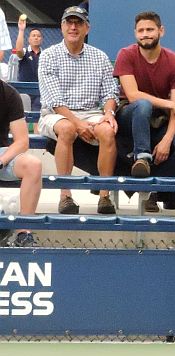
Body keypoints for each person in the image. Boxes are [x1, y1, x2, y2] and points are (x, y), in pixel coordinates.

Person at [38, 5, 118, 215]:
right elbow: (54, 101)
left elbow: (110, 94)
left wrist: (109, 114)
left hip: (91, 112)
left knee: (108, 131)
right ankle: (65, 196)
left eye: (78, 23)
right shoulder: (48, 56)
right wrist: (78, 123)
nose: (73, 27)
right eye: (69, 22)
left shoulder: (100, 57)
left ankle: (104, 196)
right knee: (66, 129)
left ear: (87, 28)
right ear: (62, 27)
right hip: (55, 114)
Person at [113, 11, 175, 213]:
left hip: (159, 120)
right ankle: (142, 157)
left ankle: (150, 189)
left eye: (150, 29)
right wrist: (169, 105)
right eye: (140, 30)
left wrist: (167, 140)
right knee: (143, 104)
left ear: (161, 31)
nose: (145, 34)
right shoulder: (126, 54)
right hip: (129, 115)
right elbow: (133, 95)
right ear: (135, 34)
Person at [0, 81, 43, 247]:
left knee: (33, 164)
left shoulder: (8, 94)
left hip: (1, 153)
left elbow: (22, 141)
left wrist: (2, 161)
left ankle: (23, 233)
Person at [14, 16, 43, 110]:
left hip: (39, 91)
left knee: (36, 118)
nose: (36, 38)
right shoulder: (24, 52)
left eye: (38, 36)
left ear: (41, 40)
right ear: (29, 39)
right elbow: (18, 50)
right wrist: (21, 30)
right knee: (22, 117)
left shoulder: (45, 55)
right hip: (24, 91)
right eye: (33, 36)